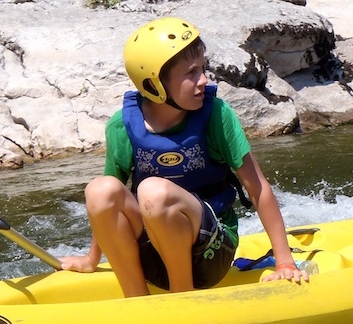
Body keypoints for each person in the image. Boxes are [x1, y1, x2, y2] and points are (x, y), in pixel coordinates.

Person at [60, 16, 309, 295]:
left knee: (153, 192)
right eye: (191, 73)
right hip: (153, 254)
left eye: (202, 68)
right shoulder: (122, 126)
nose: (203, 80)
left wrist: (284, 262)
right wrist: (91, 258)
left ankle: (183, 294)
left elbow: (258, 188)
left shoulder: (217, 115)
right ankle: (136, 298)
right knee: (100, 189)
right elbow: (105, 208)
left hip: (210, 254)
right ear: (154, 85)